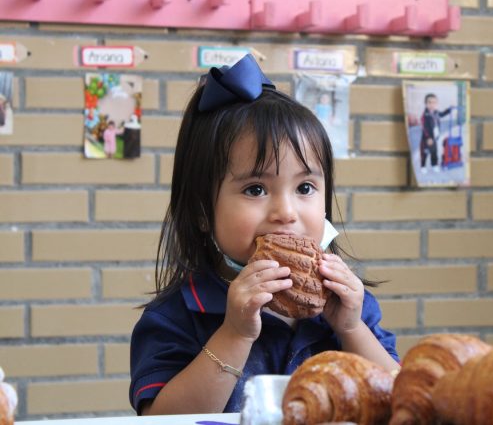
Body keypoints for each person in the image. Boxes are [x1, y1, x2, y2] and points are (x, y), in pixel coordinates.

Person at [129, 54, 399, 415]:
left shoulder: (351, 306)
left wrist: (352, 329)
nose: (286, 212)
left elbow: (401, 401)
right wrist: (235, 333)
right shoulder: (176, 314)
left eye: (305, 188)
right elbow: (162, 420)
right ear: (202, 212)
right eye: (255, 189)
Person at [420, 93, 453, 174]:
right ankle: (423, 166)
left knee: (434, 151)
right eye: (429, 102)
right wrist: (428, 138)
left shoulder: (436, 112)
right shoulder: (425, 115)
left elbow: (442, 114)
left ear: (436, 103)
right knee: (425, 152)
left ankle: (434, 165)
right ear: (426, 103)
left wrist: (449, 110)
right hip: (427, 138)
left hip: (434, 136)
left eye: (434, 102)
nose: (432, 104)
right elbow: (424, 127)